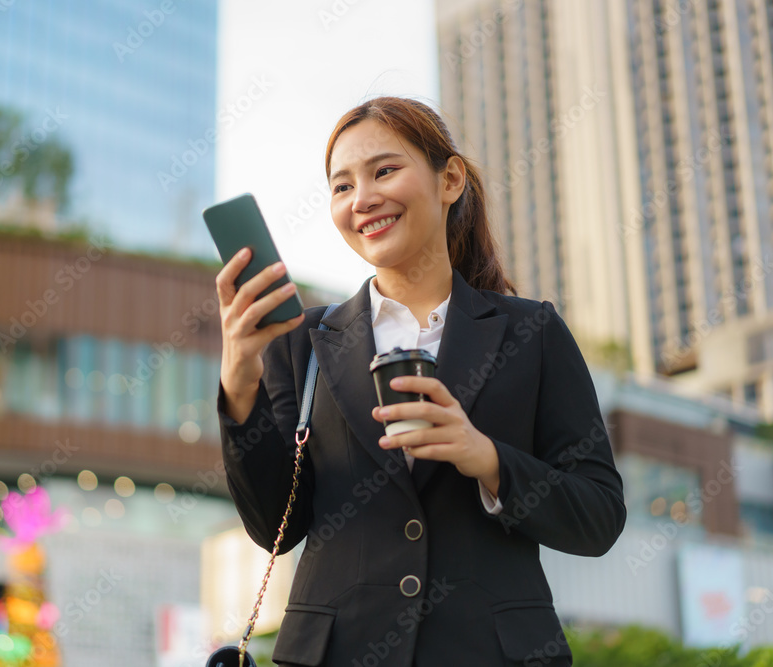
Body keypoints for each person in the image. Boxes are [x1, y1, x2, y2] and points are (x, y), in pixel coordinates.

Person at [214, 96, 626, 667]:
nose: (363, 199)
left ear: (450, 178)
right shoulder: (303, 342)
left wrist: (486, 459)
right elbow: (276, 527)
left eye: (384, 171)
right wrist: (239, 380)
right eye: (341, 186)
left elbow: (599, 516)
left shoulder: (531, 332)